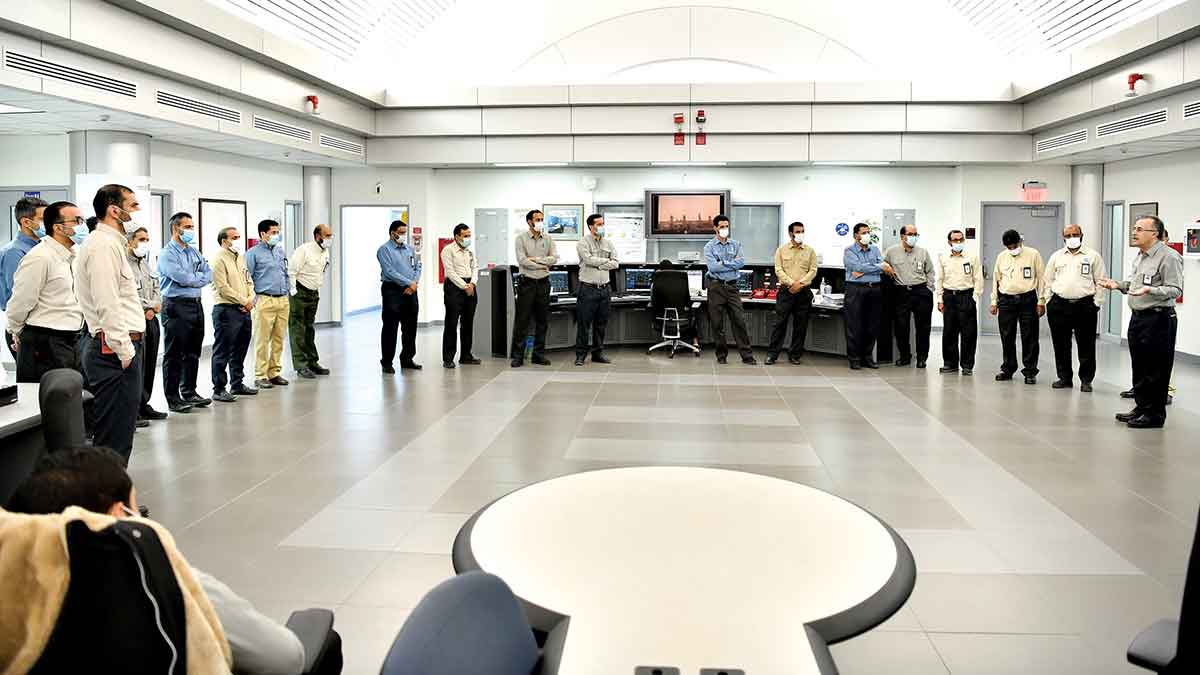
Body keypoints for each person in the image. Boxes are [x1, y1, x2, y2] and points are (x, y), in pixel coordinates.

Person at [7, 447, 334, 675]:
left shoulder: (12, 595)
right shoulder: (158, 576)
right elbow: (284, 659)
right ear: (121, 516)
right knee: (323, 642)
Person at [74, 184, 147, 464]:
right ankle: (106, 500)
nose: (138, 211)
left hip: (118, 347)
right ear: (114, 210)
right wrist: (125, 350)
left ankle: (112, 497)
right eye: (134, 205)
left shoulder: (112, 244)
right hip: (113, 352)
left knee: (121, 428)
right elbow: (107, 302)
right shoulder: (102, 246)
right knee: (114, 432)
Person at [1100, 215, 1183, 429]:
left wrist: (1152, 290)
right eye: (1134, 229)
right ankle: (1141, 407)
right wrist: (1118, 285)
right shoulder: (1141, 256)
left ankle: (1154, 415)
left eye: (1139, 229)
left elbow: (1176, 289)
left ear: (1154, 233)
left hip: (1159, 318)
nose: (1134, 233)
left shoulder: (1169, 257)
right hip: (1138, 318)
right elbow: (1135, 285)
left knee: (1157, 369)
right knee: (1140, 367)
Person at [6, 201, 85, 383]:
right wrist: (18, 332)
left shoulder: (74, 255)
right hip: (45, 342)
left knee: (72, 400)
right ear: (58, 227)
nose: (83, 225)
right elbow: (20, 302)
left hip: (72, 338)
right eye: (77, 221)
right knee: (47, 403)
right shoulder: (39, 257)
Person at [158, 213, 213, 412]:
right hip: (176, 305)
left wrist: (196, 277)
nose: (191, 230)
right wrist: (197, 277)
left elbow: (209, 273)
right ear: (176, 229)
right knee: (175, 353)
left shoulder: (193, 252)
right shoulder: (167, 254)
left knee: (192, 352)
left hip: (195, 304)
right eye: (187, 226)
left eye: (192, 226)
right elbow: (183, 278)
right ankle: (173, 398)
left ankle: (189, 391)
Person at [1043, 224, 1105, 392]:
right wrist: (1048, 300)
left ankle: (1086, 380)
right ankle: (1064, 378)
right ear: (1064, 238)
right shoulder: (1056, 257)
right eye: (1068, 235)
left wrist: (1097, 303)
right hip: (1059, 305)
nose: (1072, 238)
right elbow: (1047, 280)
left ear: (1081, 235)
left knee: (1086, 345)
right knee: (1060, 344)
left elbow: (1101, 281)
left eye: (1075, 234)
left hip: (1085, 306)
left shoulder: (1093, 256)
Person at [990, 229, 1045, 384]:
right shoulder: (1001, 257)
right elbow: (996, 279)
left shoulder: (1033, 254)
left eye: (1014, 246)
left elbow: (1042, 279)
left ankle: (1030, 372)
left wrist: (1041, 301)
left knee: (1030, 336)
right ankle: (1008, 368)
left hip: (1028, 299)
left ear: (1020, 241)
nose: (1012, 249)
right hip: (1006, 301)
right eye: (1009, 247)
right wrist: (994, 301)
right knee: (1007, 336)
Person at [125, 227, 167, 422]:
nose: (145, 243)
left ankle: (144, 403)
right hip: (135, 320)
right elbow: (128, 294)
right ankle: (132, 409)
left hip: (152, 320)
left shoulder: (145, 263)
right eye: (141, 239)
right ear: (129, 241)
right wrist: (150, 306)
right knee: (136, 367)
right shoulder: (123, 264)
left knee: (150, 363)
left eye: (147, 239)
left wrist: (156, 305)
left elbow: (157, 286)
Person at [211, 226, 258, 403]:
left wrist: (251, 299)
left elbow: (249, 281)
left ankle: (237, 383)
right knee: (222, 351)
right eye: (234, 237)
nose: (238, 240)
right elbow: (223, 288)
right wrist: (243, 300)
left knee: (240, 348)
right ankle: (219, 388)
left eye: (239, 236)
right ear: (224, 240)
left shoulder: (240, 258)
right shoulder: (218, 259)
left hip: (244, 310)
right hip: (226, 310)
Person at [703, 215, 756, 365]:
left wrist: (723, 263)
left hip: (733, 287)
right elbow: (712, 267)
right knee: (717, 323)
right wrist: (731, 263)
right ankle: (721, 356)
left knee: (739, 321)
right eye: (722, 227)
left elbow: (741, 263)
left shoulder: (736, 244)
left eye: (726, 226)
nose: (725, 229)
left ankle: (747, 356)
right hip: (716, 287)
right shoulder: (709, 247)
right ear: (715, 228)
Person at [510, 209, 558, 368]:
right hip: (527, 283)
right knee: (522, 321)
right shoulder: (521, 239)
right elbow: (522, 261)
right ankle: (517, 356)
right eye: (537, 219)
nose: (540, 222)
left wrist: (536, 260)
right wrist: (543, 263)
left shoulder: (548, 238)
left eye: (542, 219)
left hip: (544, 283)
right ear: (529, 221)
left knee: (542, 321)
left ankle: (538, 355)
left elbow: (554, 259)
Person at [246, 219, 291, 388]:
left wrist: (287, 291)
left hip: (282, 299)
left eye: (277, 232)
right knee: (262, 340)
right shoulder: (253, 253)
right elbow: (247, 278)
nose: (276, 235)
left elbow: (285, 273)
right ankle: (260, 375)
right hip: (264, 299)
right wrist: (253, 299)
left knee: (279, 338)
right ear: (263, 234)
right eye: (273, 232)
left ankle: (274, 372)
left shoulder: (280, 251)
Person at [1, 196, 47, 358]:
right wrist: (18, 332)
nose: (47, 223)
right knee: (33, 383)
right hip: (26, 330)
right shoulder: (15, 252)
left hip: (42, 328)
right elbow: (18, 296)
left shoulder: (43, 248)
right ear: (26, 222)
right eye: (43, 219)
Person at [883, 224, 935, 368]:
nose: (913, 237)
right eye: (910, 234)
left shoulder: (923, 252)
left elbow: (930, 271)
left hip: (921, 292)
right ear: (902, 236)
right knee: (901, 326)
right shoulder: (891, 251)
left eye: (915, 234)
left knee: (923, 327)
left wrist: (929, 288)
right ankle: (905, 356)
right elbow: (881, 263)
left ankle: (922, 358)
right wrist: (885, 266)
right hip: (901, 293)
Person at [843, 223, 892, 370]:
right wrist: (877, 267)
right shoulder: (849, 251)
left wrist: (868, 269)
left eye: (868, 232)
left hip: (874, 289)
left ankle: (867, 357)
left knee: (872, 325)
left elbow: (881, 269)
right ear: (855, 235)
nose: (867, 235)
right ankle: (855, 358)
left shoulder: (875, 249)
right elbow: (857, 267)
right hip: (856, 290)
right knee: (854, 325)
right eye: (864, 232)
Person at [767, 221, 817, 365]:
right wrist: (791, 283)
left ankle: (795, 355)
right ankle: (772, 354)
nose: (801, 234)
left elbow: (813, 270)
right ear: (790, 233)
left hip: (803, 292)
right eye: (798, 231)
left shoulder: (810, 251)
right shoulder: (781, 250)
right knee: (779, 324)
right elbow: (778, 270)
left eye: (802, 231)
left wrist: (800, 284)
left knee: (800, 326)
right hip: (786, 292)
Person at [936, 229, 983, 376]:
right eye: (955, 240)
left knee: (969, 332)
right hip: (949, 297)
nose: (958, 242)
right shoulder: (944, 258)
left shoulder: (972, 257)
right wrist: (940, 299)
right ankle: (950, 363)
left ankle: (967, 365)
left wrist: (975, 297)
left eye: (960, 239)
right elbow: (940, 279)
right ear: (949, 242)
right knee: (949, 331)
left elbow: (978, 278)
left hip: (966, 296)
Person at [378, 219, 423, 373]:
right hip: (393, 291)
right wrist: (408, 283)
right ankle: (387, 362)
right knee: (391, 327)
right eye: (401, 232)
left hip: (411, 291)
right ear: (392, 233)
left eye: (405, 232)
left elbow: (418, 266)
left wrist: (414, 283)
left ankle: (407, 359)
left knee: (410, 327)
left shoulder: (411, 249)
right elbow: (389, 271)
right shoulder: (384, 250)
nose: (404, 235)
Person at [288, 224, 332, 379]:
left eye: (330, 235)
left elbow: (322, 271)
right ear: (317, 236)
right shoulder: (304, 250)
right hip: (299, 292)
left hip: (313, 294)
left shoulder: (325, 251)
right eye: (326, 235)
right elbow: (292, 272)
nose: (329, 239)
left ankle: (312, 362)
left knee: (309, 329)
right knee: (298, 330)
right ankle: (301, 365)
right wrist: (294, 292)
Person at [575, 213, 619, 367]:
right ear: (591, 226)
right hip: (588, 289)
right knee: (584, 324)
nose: (601, 226)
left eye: (602, 224)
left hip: (605, 290)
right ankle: (580, 355)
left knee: (601, 324)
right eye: (598, 224)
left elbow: (616, 263)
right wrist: (606, 261)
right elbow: (588, 260)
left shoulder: (608, 243)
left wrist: (599, 263)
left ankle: (597, 354)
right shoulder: (583, 243)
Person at [440, 223, 482, 369]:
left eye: (469, 235)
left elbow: (475, 267)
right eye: (465, 236)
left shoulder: (469, 252)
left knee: (468, 323)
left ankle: (466, 355)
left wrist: (473, 284)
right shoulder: (448, 250)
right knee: (451, 323)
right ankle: (448, 358)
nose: (468, 238)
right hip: (454, 288)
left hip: (470, 287)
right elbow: (450, 272)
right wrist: (464, 286)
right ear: (457, 236)